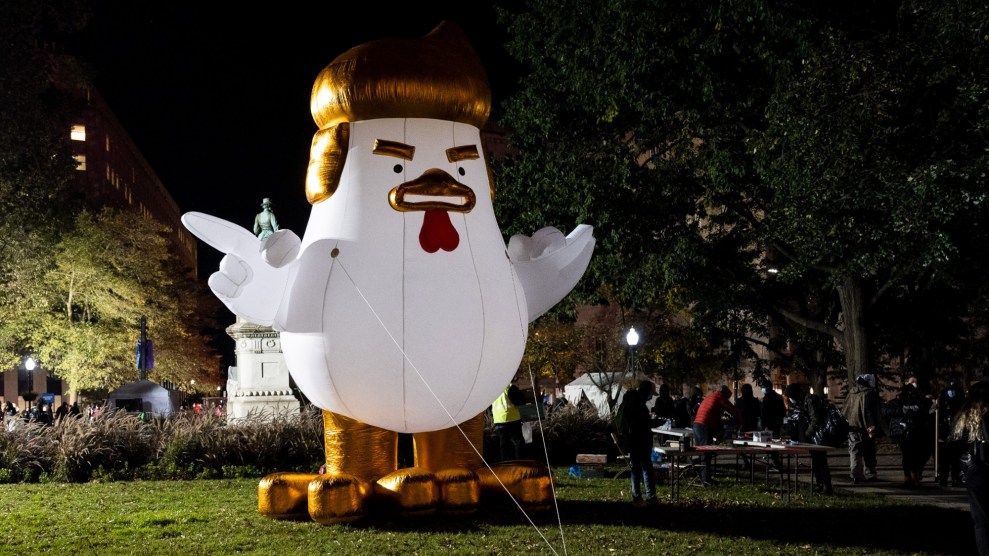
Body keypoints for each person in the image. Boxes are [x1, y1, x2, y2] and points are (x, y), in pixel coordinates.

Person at [948, 379, 989, 555]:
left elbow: (953, 445)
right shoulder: (986, 415)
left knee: (981, 520)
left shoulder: (963, 416)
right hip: (984, 467)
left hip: (972, 470)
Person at [785, 384, 833, 494]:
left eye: (790, 397)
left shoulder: (810, 400)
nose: (790, 400)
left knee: (820, 461)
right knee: (816, 461)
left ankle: (826, 486)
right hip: (813, 437)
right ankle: (820, 484)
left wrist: (807, 434)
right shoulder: (803, 402)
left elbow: (815, 420)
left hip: (818, 437)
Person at [618, 380, 658, 506]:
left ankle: (637, 497)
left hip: (632, 439)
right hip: (640, 439)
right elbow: (643, 423)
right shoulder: (639, 404)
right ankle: (650, 497)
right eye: (651, 393)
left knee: (636, 468)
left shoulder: (631, 401)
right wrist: (656, 423)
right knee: (646, 467)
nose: (651, 396)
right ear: (646, 391)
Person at [692, 385, 742, 485]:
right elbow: (732, 409)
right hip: (704, 426)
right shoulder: (720, 396)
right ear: (725, 393)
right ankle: (706, 479)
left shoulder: (710, 396)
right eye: (728, 396)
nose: (728, 398)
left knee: (701, 453)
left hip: (697, 424)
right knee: (706, 453)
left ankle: (699, 476)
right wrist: (741, 422)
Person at [890, 378, 934, 487]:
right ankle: (909, 476)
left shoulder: (920, 400)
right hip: (906, 431)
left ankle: (913, 475)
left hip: (917, 431)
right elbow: (888, 410)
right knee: (908, 455)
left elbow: (928, 411)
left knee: (916, 455)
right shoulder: (902, 401)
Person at [843, 373, 882, 483]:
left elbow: (846, 409)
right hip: (865, 426)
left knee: (855, 451)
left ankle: (856, 475)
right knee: (869, 450)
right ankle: (870, 474)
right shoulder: (869, 393)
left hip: (852, 426)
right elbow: (869, 411)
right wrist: (873, 425)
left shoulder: (852, 392)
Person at [937, 380, 967, 487]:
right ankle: (944, 478)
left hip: (955, 433)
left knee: (953, 458)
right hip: (946, 433)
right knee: (945, 458)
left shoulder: (958, 399)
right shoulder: (944, 399)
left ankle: (953, 478)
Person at [492, 381, 526, 461]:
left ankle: (505, 464)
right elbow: (521, 402)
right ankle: (520, 462)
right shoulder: (510, 388)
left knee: (504, 444)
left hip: (499, 420)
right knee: (518, 441)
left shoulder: (495, 390)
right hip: (512, 419)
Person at [760, 380, 786, 468]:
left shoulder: (767, 398)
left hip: (769, 425)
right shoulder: (778, 397)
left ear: (767, 388)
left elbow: (764, 413)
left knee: (769, 444)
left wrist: (764, 424)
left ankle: (775, 463)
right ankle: (775, 462)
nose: (762, 389)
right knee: (775, 444)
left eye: (763, 387)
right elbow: (783, 411)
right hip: (777, 424)